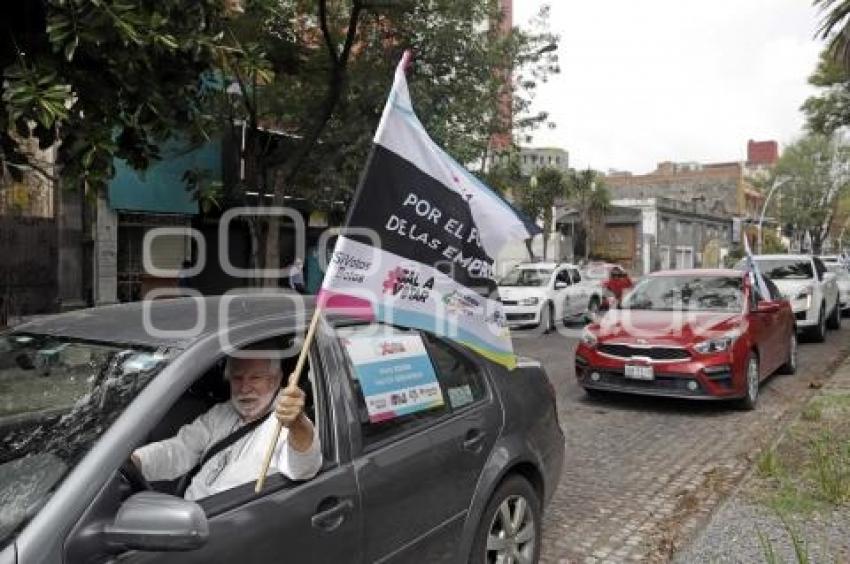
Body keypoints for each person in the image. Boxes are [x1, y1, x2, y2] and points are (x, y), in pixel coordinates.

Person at [132, 355, 322, 501]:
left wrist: (297, 424)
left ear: (275, 380)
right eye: (237, 378)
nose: (245, 388)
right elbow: (181, 448)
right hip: (191, 515)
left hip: (235, 527)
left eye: (255, 377)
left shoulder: (287, 418)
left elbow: (304, 468)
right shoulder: (221, 412)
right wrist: (136, 462)